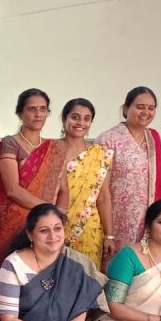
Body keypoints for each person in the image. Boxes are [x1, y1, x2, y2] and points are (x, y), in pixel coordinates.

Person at [0, 88, 69, 272]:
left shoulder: (55, 148)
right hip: (11, 222)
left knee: (43, 273)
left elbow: (63, 190)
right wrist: (49, 210)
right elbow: (12, 190)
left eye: (43, 109)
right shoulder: (10, 143)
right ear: (20, 113)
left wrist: (58, 216)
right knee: (10, 271)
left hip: (45, 226)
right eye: (32, 109)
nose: (38, 114)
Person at [97, 86, 161, 253]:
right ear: (126, 108)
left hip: (149, 219)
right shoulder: (108, 139)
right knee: (118, 265)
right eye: (140, 107)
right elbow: (101, 191)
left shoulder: (154, 138)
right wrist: (109, 234)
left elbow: (159, 181)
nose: (146, 112)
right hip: (117, 220)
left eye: (151, 108)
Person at [57, 98, 115, 268]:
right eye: (75, 117)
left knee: (87, 276)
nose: (80, 123)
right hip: (56, 225)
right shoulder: (51, 149)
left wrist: (109, 235)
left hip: (89, 227)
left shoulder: (100, 154)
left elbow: (103, 197)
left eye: (86, 119)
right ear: (64, 118)